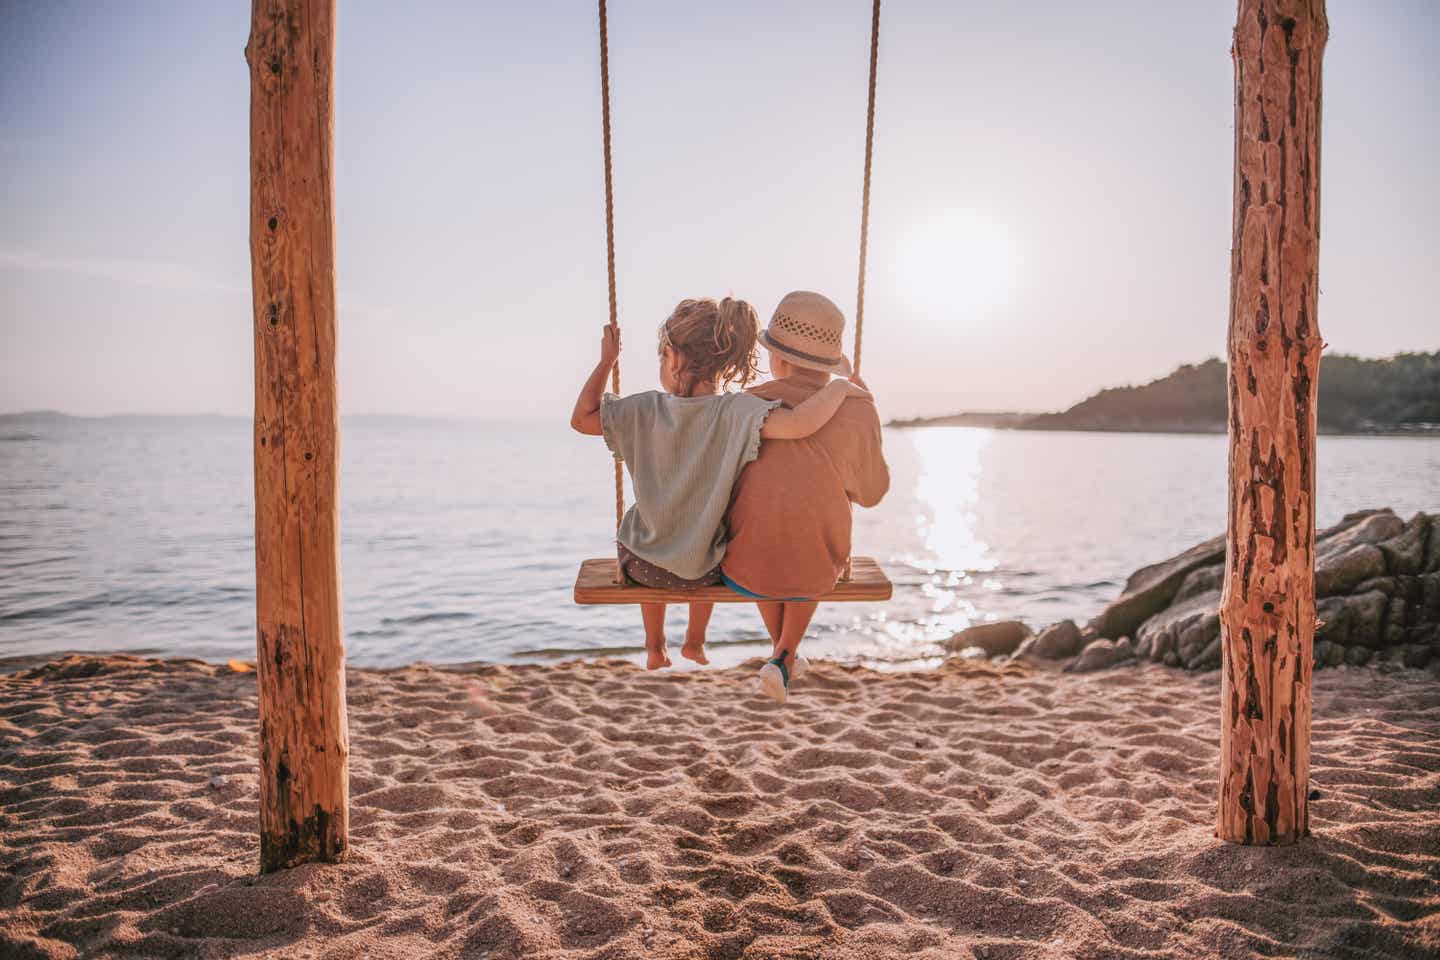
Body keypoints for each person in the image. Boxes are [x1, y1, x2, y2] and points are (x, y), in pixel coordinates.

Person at [570, 296, 871, 670]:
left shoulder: (642, 409)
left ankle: (655, 646)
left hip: (640, 566)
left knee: (643, 530)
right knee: (710, 537)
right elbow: (800, 424)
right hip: (705, 569)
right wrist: (840, 388)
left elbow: (581, 419)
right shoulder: (736, 412)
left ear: (675, 359)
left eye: (662, 357)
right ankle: (695, 642)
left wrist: (606, 362)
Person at [721, 291, 891, 703]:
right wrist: (869, 418)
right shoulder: (857, 409)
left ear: (779, 358)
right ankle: (783, 655)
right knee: (810, 542)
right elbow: (872, 494)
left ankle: (782, 655)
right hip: (816, 563)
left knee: (767, 531)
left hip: (745, 564)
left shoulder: (745, 405)